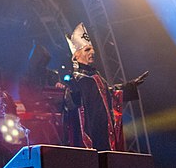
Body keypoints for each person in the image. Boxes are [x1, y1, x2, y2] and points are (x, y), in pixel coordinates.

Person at [63, 22, 148, 151]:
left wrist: (130, 86)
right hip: (89, 140)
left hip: (105, 136)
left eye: (92, 49)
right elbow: (71, 107)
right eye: (87, 49)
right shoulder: (76, 80)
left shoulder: (96, 77)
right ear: (76, 55)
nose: (93, 52)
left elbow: (109, 94)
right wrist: (73, 92)